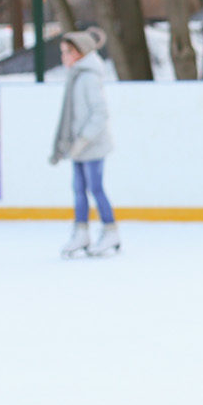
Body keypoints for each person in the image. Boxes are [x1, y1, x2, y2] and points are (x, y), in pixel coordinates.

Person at [50, 28, 119, 258]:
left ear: (80, 53)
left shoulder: (89, 77)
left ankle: (111, 231)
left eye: (68, 52)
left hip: (93, 145)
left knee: (95, 189)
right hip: (78, 146)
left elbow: (100, 113)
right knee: (79, 190)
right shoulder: (77, 76)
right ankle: (81, 232)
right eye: (62, 52)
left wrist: (83, 140)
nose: (64, 57)